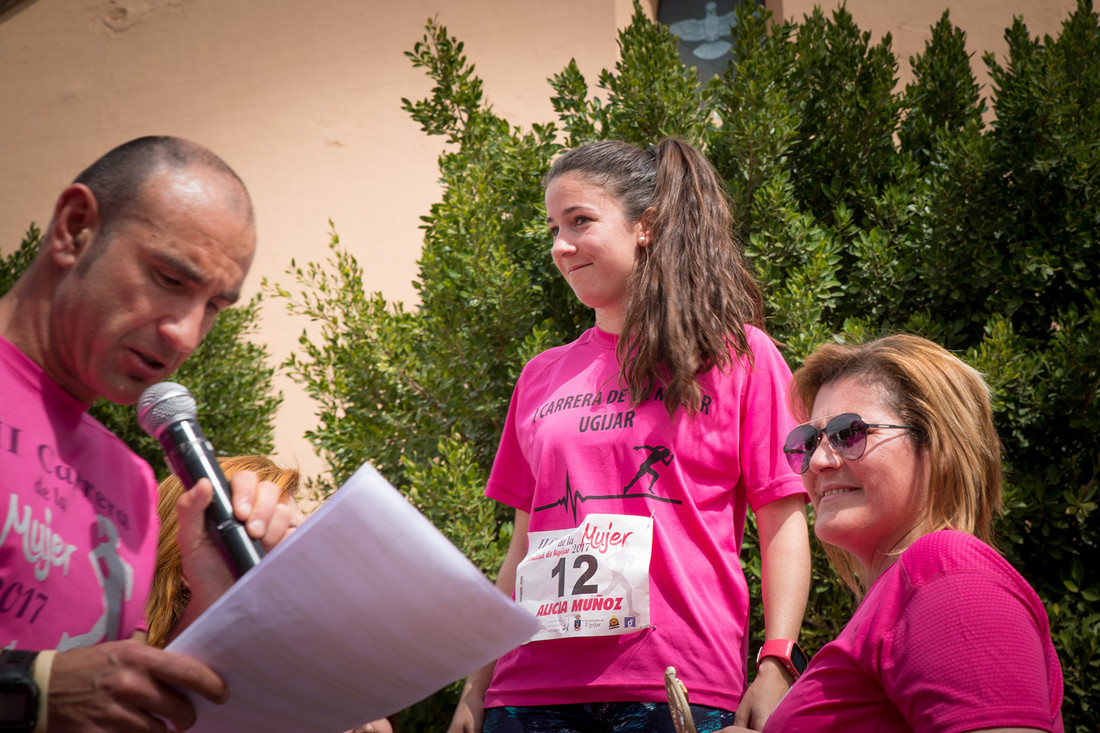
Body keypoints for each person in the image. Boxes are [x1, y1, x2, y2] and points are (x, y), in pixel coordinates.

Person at [448, 138, 811, 733]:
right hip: (527, 693)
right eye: (553, 227)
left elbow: (783, 521)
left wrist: (777, 662)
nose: (560, 246)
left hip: (676, 686)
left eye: (580, 221)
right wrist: (476, 684)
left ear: (645, 226)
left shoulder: (738, 356)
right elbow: (522, 548)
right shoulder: (540, 375)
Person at [0, 136, 295, 732]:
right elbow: (60, 695)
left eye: (215, 306)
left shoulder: (133, 483)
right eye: (168, 278)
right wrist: (29, 693)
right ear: (75, 227)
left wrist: (213, 602)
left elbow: (120, 701)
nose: (186, 334)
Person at [720, 334, 1064, 732]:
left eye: (849, 433)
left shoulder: (947, 575)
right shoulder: (904, 593)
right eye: (809, 441)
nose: (818, 461)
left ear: (937, 443)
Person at [146, 455, 396, 733]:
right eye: (281, 532)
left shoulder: (336, 674)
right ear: (190, 567)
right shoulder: (136, 702)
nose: (308, 550)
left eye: (306, 531)